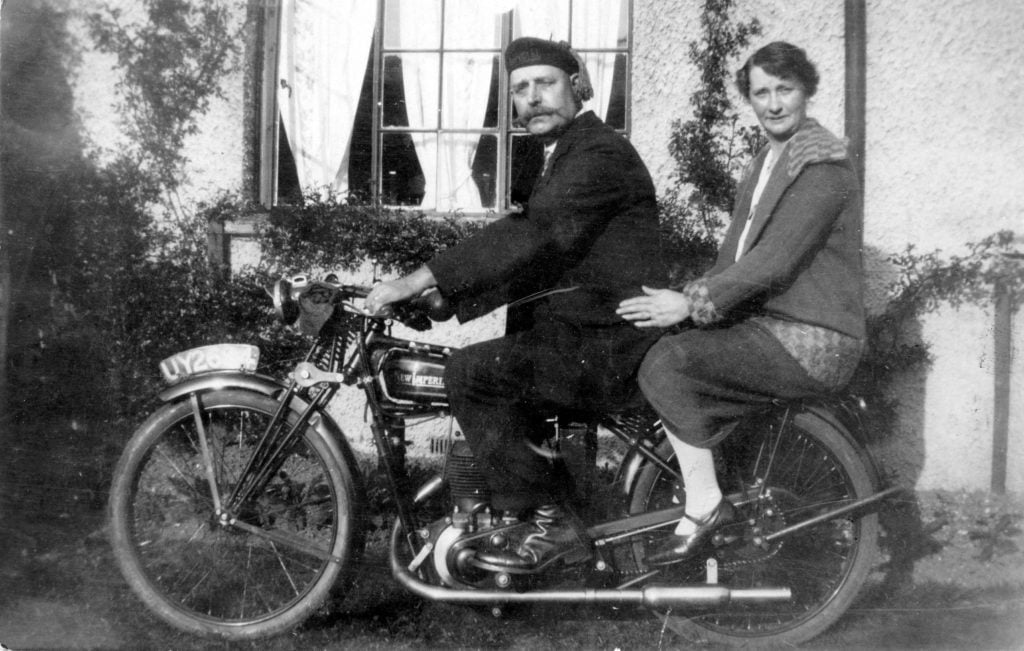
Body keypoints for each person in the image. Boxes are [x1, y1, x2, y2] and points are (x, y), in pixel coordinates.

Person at [364, 37, 665, 570]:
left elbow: (533, 235)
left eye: (544, 84)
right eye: (520, 89)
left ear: (577, 87)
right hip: (580, 335)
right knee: (491, 368)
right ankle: (508, 521)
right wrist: (447, 298)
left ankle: (551, 523)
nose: (532, 98)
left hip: (608, 345)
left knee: (470, 373)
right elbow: (546, 258)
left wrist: (414, 282)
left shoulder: (599, 153)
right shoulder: (561, 155)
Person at [617, 41, 865, 566]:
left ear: (807, 91)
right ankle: (714, 482)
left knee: (671, 363)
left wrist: (689, 305)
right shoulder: (768, 160)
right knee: (659, 344)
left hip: (813, 337)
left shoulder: (822, 166)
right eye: (761, 93)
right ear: (748, 99)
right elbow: (734, 256)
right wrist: (681, 298)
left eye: (785, 89)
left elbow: (774, 261)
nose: (774, 104)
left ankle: (706, 506)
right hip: (773, 324)